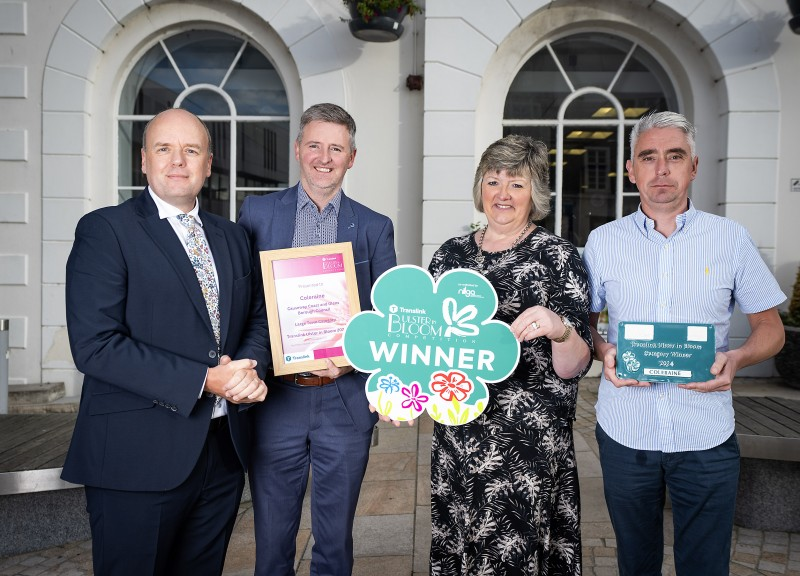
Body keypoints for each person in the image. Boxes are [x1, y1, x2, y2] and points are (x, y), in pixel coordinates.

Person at [61, 108, 270, 576]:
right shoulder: (106, 230)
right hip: (137, 457)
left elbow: (255, 318)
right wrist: (206, 380)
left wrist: (248, 370)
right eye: (164, 149)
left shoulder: (233, 236)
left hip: (220, 455)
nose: (178, 160)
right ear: (143, 161)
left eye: (191, 150)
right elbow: (95, 344)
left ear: (208, 163)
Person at [582, 111, 787, 576]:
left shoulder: (730, 240)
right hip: (625, 430)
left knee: (706, 565)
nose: (662, 169)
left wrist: (736, 358)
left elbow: (771, 329)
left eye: (674, 157)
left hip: (706, 433)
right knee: (636, 563)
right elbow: (585, 325)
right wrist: (603, 351)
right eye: (648, 157)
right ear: (630, 169)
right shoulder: (603, 242)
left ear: (693, 167)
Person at [238, 102, 397, 575]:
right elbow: (245, 301)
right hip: (276, 398)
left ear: (352, 157)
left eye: (336, 148)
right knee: (270, 537)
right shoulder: (258, 213)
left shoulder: (373, 226)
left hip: (343, 400)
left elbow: (384, 315)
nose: (324, 157)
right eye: (314, 145)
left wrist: (355, 359)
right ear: (297, 150)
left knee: (333, 540)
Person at [426, 134, 593, 575]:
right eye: (493, 181)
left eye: (516, 184)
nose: (503, 194)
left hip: (526, 448)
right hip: (458, 436)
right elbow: (425, 345)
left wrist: (560, 329)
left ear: (534, 194)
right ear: (480, 187)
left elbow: (576, 364)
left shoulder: (556, 256)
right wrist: (401, 388)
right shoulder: (450, 255)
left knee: (512, 558)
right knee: (460, 546)